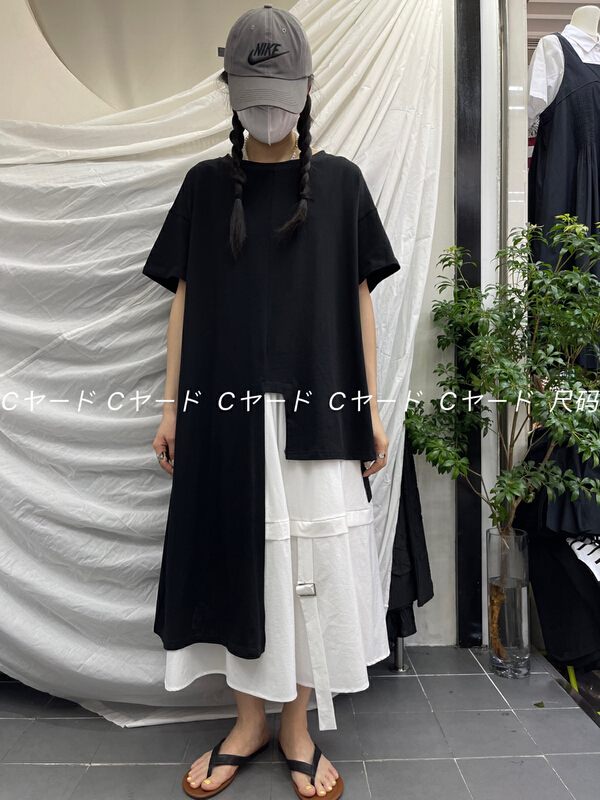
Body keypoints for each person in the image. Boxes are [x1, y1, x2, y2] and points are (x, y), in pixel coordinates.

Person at [142, 6, 401, 799]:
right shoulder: (204, 186)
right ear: (230, 93)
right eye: (253, 96)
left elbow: (359, 302)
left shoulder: (343, 184)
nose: (267, 112)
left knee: (308, 571)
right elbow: (184, 297)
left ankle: (296, 727)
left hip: (318, 414)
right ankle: (248, 721)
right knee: (238, 563)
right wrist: (171, 407)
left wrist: (370, 409)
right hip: (226, 415)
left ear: (307, 89)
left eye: (279, 95)